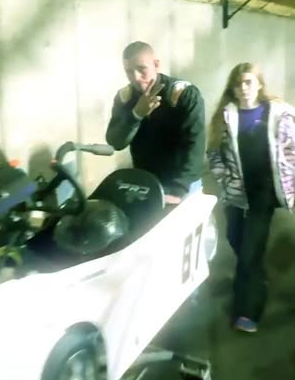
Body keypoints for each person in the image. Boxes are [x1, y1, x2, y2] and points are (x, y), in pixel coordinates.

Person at [207, 62, 295, 333]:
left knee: (249, 252)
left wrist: (288, 179)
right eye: (238, 83)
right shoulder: (225, 116)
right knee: (235, 238)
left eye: (248, 82)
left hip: (263, 194)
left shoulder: (278, 114)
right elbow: (214, 154)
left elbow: (291, 150)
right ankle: (257, 279)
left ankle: (247, 312)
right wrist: (224, 179)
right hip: (236, 193)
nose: (243, 88)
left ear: (259, 85)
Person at [105, 41, 205, 203]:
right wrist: (136, 114)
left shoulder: (182, 93)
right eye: (129, 71)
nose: (136, 78)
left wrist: (178, 190)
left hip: (183, 185)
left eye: (142, 69)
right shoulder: (125, 97)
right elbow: (115, 142)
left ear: (156, 64)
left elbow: (195, 145)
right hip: (146, 183)